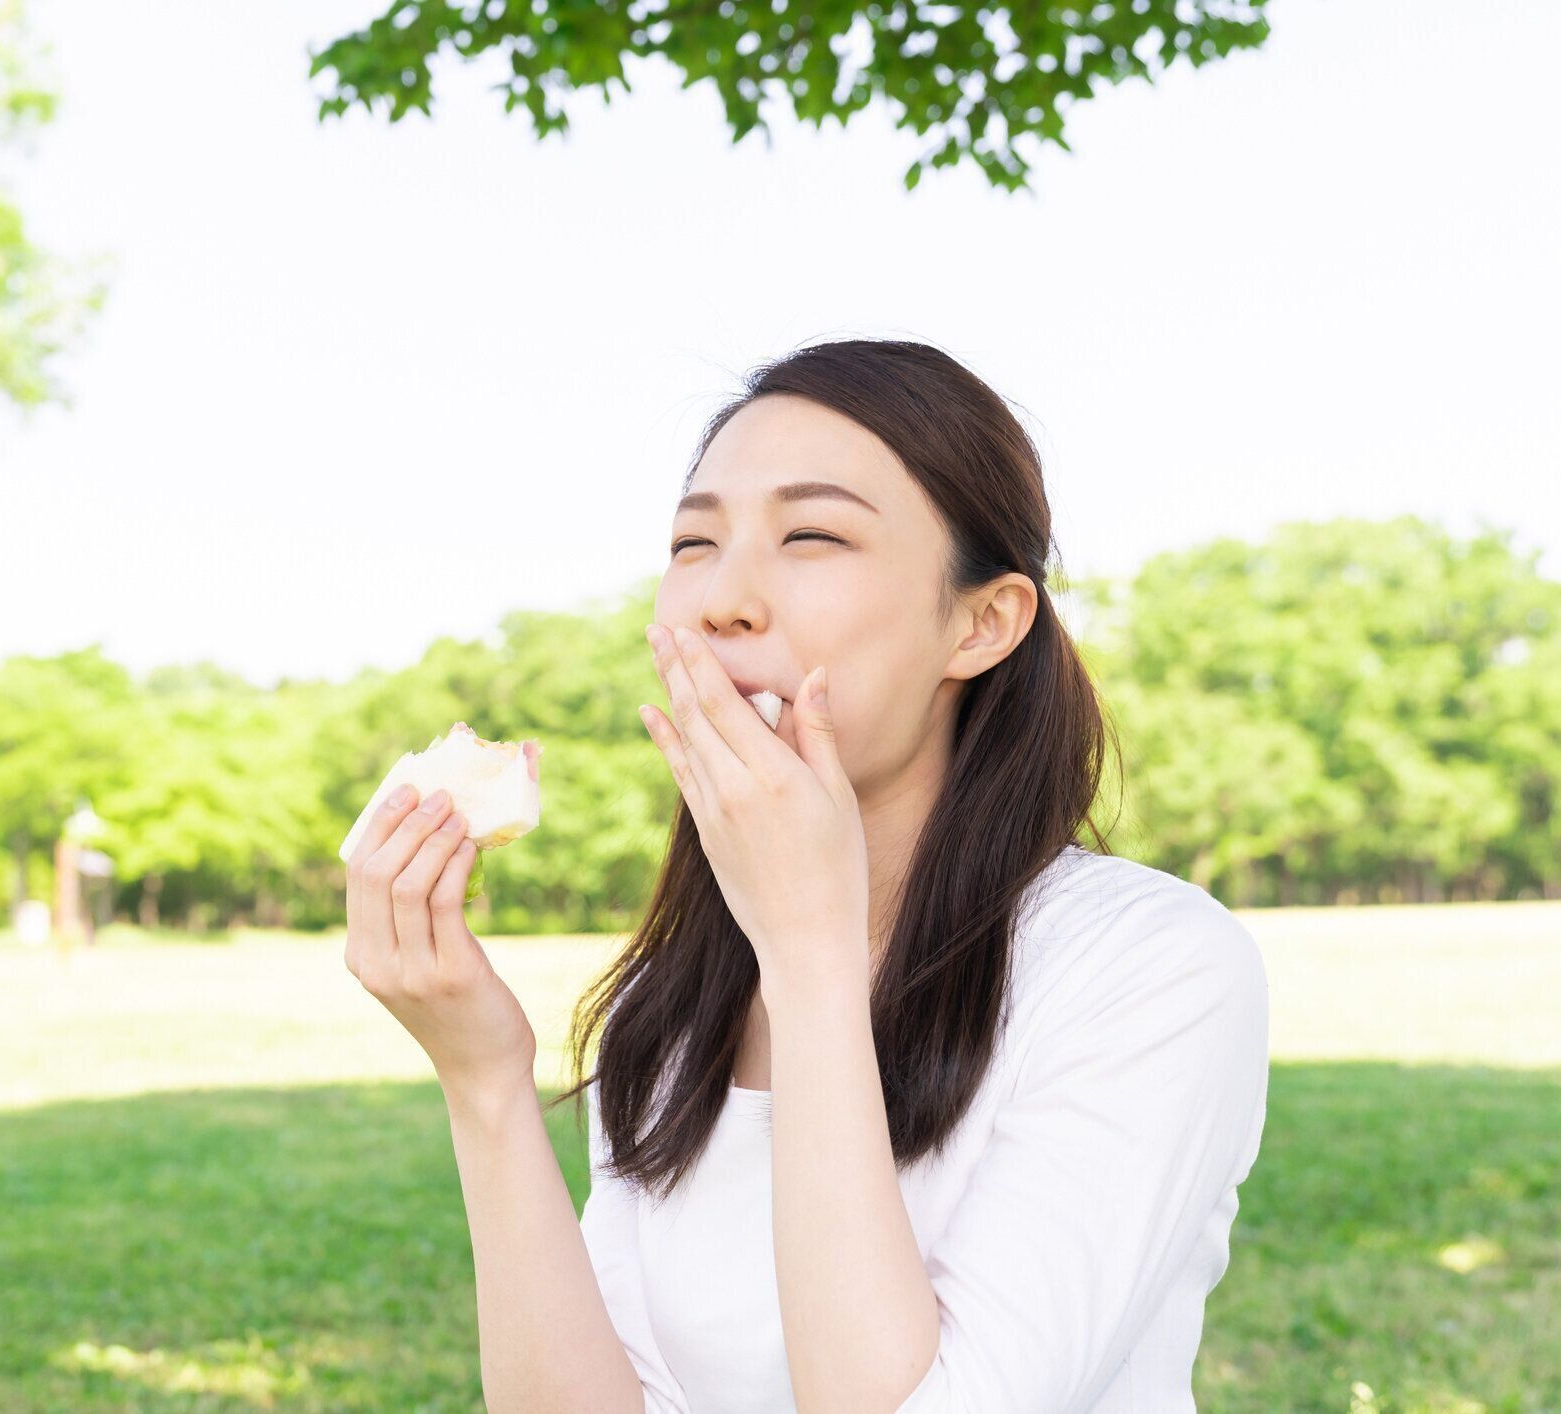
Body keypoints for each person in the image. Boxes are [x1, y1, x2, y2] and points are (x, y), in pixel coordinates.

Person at [341, 337, 1270, 1412]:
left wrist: (810, 949)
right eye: (694, 542)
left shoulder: (1151, 968)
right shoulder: (678, 1000)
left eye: (812, 534)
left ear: (981, 623)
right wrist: (487, 1083)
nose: (722, 600)